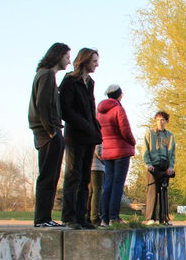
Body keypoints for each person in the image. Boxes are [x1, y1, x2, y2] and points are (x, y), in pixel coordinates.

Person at [59, 48, 102, 230]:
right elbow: (66, 110)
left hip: (89, 136)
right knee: (73, 174)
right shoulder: (70, 80)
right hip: (75, 135)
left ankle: (82, 216)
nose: (96, 64)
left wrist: (95, 129)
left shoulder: (90, 82)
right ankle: (69, 217)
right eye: (94, 61)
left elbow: (91, 108)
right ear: (84, 61)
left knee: (85, 177)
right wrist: (84, 125)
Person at [28, 42, 70, 228]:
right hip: (48, 133)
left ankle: (45, 217)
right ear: (58, 56)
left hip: (49, 131)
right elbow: (43, 104)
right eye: (67, 57)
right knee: (48, 176)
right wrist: (51, 130)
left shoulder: (47, 75)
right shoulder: (46, 75)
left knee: (52, 175)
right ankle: (42, 218)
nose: (69, 61)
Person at [96, 84, 136, 225]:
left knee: (107, 184)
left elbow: (99, 130)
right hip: (121, 150)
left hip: (107, 151)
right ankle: (114, 217)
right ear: (120, 95)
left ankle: (104, 218)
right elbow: (125, 130)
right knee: (118, 184)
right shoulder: (118, 109)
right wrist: (133, 142)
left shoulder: (100, 111)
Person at [143, 111, 176, 225]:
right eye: (158, 120)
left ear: (166, 121)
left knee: (164, 191)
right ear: (155, 121)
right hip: (153, 165)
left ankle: (164, 218)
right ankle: (150, 218)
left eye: (163, 120)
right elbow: (145, 150)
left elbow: (172, 152)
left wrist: (171, 166)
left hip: (165, 165)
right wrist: (148, 164)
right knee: (152, 191)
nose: (160, 122)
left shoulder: (170, 135)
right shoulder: (150, 133)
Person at [88, 145, 104, 225]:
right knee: (97, 192)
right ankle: (94, 216)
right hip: (98, 167)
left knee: (90, 192)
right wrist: (108, 160)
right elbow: (99, 152)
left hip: (90, 166)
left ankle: (87, 215)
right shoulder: (99, 137)